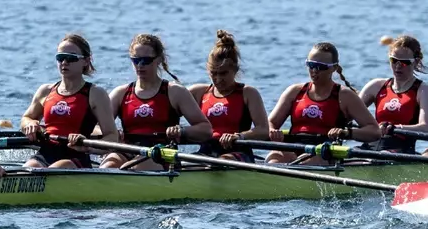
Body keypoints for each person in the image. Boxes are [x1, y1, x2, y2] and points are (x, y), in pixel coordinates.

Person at [102, 32, 212, 170]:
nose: (140, 65)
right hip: (128, 150)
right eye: (136, 60)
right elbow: (96, 127)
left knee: (135, 167)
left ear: (159, 59)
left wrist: (182, 131)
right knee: (108, 165)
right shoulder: (121, 93)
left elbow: (206, 129)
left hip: (162, 153)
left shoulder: (175, 92)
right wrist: (111, 132)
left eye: (146, 61)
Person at [265, 42, 382, 165]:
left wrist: (347, 133)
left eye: (321, 67)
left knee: (306, 161)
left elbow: (374, 131)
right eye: (311, 65)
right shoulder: (295, 91)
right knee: (274, 158)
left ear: (334, 68)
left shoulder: (345, 96)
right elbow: (270, 122)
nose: (314, 71)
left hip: (325, 151)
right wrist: (272, 130)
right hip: (293, 146)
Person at [20, 33, 119, 169]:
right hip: (46, 152)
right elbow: (26, 117)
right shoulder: (46, 90)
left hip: (75, 157)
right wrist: (30, 124)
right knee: (28, 169)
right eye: (60, 58)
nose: (64, 62)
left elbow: (112, 137)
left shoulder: (96, 94)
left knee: (54, 170)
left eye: (71, 58)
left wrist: (87, 146)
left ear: (85, 61)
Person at [189, 30, 269, 158]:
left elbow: (263, 130)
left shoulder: (248, 93)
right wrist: (177, 130)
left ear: (235, 69)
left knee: (221, 161)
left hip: (238, 153)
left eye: (223, 73)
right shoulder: (198, 92)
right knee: (180, 165)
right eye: (214, 73)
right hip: (206, 152)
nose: (218, 79)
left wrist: (239, 136)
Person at [359, 35, 428, 153]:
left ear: (416, 62)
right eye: (394, 60)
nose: (398, 66)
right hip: (369, 147)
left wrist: (395, 128)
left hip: (401, 150)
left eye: (404, 62)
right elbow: (348, 114)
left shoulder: (424, 90)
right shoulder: (375, 86)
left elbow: (426, 128)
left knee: (379, 157)